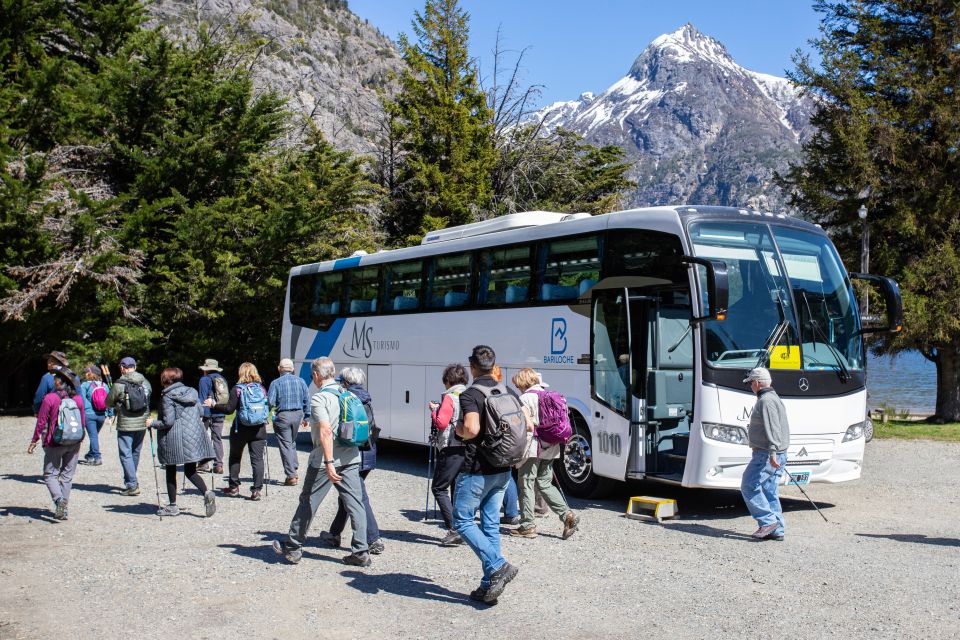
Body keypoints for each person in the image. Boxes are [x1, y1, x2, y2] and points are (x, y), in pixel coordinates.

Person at [273, 357, 370, 567]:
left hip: (325, 461)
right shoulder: (348, 394)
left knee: (308, 502)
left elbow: (326, 431)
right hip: (351, 457)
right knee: (355, 503)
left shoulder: (320, 399)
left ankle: (293, 547)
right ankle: (361, 551)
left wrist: (328, 462)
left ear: (316, 375)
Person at [452, 345, 521, 605]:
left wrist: (457, 429)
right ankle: (488, 584)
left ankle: (497, 565)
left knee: (463, 521)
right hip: (503, 468)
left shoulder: (471, 394)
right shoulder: (508, 391)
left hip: (477, 470)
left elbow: (471, 429)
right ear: (494, 366)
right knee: (490, 525)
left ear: (472, 366)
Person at [509, 368, 580, 540]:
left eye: (518, 384)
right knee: (545, 483)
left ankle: (527, 525)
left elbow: (526, 426)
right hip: (551, 446)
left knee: (526, 483)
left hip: (532, 446)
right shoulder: (549, 395)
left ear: (522, 383)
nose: (518, 388)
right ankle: (567, 515)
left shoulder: (524, 398)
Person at [321, 367, 383, 554]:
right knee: (348, 495)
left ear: (346, 383)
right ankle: (334, 534)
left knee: (358, 496)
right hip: (369, 452)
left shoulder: (345, 398)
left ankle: (373, 539)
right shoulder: (367, 397)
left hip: (353, 454)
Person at [149, 367, 217, 517]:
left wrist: (152, 423)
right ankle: (206, 492)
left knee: (170, 469)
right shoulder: (191, 392)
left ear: (165, 380)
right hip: (192, 436)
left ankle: (172, 506)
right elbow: (200, 412)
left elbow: (168, 421)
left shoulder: (167, 396)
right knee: (190, 470)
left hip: (175, 438)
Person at [205, 362, 268, 500]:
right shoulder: (261, 389)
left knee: (235, 457)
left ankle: (233, 487)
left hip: (241, 429)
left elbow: (229, 410)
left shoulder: (237, 389)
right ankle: (256, 490)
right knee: (257, 460)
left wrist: (214, 405)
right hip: (259, 429)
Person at [740, 367, 790, 542]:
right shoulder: (774, 397)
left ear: (756, 382)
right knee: (769, 490)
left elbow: (773, 428)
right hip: (777, 452)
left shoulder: (765, 401)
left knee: (748, 485)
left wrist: (773, 452)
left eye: (751, 384)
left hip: (766, 454)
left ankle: (767, 522)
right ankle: (777, 530)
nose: (751, 387)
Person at [28, 368, 84, 520]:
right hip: (74, 441)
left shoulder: (50, 398)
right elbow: (82, 422)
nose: (53, 382)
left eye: (55, 380)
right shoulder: (78, 399)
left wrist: (34, 440)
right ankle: (63, 509)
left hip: (55, 441)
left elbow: (41, 422)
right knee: (66, 476)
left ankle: (59, 501)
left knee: (50, 474)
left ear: (59, 383)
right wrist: (80, 439)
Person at [428, 363, 469, 546]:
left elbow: (441, 423)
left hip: (450, 446)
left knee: (438, 487)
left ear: (448, 380)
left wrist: (434, 410)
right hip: (466, 446)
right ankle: (462, 526)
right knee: (456, 488)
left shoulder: (450, 398)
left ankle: (453, 529)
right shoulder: (469, 394)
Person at [106, 356, 152, 496]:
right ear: (135, 367)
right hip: (142, 422)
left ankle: (132, 484)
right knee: (135, 452)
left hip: (126, 423)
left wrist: (118, 404)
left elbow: (108, 402)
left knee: (125, 453)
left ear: (122, 368)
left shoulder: (119, 384)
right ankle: (131, 480)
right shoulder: (145, 382)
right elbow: (148, 399)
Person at [267, 358, 311, 486]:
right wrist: (307, 417)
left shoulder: (276, 383)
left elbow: (270, 402)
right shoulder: (301, 381)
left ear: (279, 369)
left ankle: (291, 475)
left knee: (286, 444)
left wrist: (265, 415)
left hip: (283, 416)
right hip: (298, 415)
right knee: (291, 441)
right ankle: (294, 466)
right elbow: (307, 400)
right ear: (292, 369)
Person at [491, 365, 521, 525]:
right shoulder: (510, 391)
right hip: (512, 439)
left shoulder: (488, 392)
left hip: (496, 441)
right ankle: (511, 513)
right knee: (507, 475)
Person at [197, 359, 228, 474]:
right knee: (217, 438)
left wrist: (202, 415)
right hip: (220, 412)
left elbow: (202, 398)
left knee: (203, 438)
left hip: (207, 413)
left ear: (206, 369)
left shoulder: (204, 379)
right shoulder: (222, 379)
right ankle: (218, 465)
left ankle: (203, 463)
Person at [78, 365, 111, 466]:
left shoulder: (84, 385)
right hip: (101, 415)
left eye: (86, 372)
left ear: (90, 373)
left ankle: (97, 457)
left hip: (89, 414)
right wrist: (110, 414)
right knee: (94, 436)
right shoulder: (104, 385)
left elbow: (82, 401)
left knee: (93, 437)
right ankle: (90, 455)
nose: (85, 374)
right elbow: (109, 401)